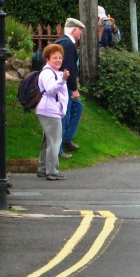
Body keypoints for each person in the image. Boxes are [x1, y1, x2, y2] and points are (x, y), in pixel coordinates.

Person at [35, 43, 70, 181]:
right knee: (55, 141)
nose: (58, 60)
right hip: (50, 110)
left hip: (49, 109)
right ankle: (52, 171)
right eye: (55, 57)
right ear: (47, 59)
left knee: (47, 140)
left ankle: (43, 168)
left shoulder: (52, 72)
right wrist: (63, 80)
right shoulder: (48, 73)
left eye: (60, 57)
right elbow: (50, 90)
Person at [56, 17, 85, 158]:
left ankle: (67, 139)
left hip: (63, 86)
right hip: (64, 87)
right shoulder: (67, 45)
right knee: (64, 116)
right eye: (80, 31)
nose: (80, 35)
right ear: (74, 30)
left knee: (78, 108)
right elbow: (69, 69)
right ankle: (59, 149)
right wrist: (74, 89)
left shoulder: (63, 43)